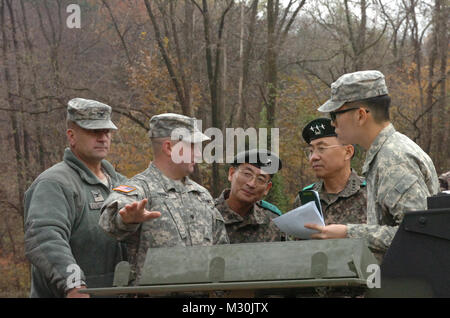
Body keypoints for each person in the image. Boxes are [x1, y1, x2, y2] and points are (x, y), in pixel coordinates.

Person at [305, 70, 440, 261]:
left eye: (335, 113)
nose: (332, 122)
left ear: (360, 115)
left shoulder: (394, 158)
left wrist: (348, 232)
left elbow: (419, 234)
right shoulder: (385, 154)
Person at [99, 113, 229, 284]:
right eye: (192, 146)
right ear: (169, 148)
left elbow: (222, 250)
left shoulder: (202, 195)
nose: (198, 154)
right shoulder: (141, 187)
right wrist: (127, 219)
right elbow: (111, 216)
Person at [24, 98, 128, 298]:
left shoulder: (123, 184)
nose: (103, 138)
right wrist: (74, 284)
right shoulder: (54, 184)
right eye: (94, 132)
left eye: (106, 131)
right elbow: (44, 239)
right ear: (71, 136)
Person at [293, 118, 367, 224]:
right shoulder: (305, 200)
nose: (313, 157)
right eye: (310, 151)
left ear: (348, 152)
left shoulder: (371, 195)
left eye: (322, 148)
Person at [215, 149, 287, 243]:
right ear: (231, 174)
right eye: (247, 174)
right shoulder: (207, 214)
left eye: (260, 179)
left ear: (267, 188)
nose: (251, 184)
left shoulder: (274, 222)